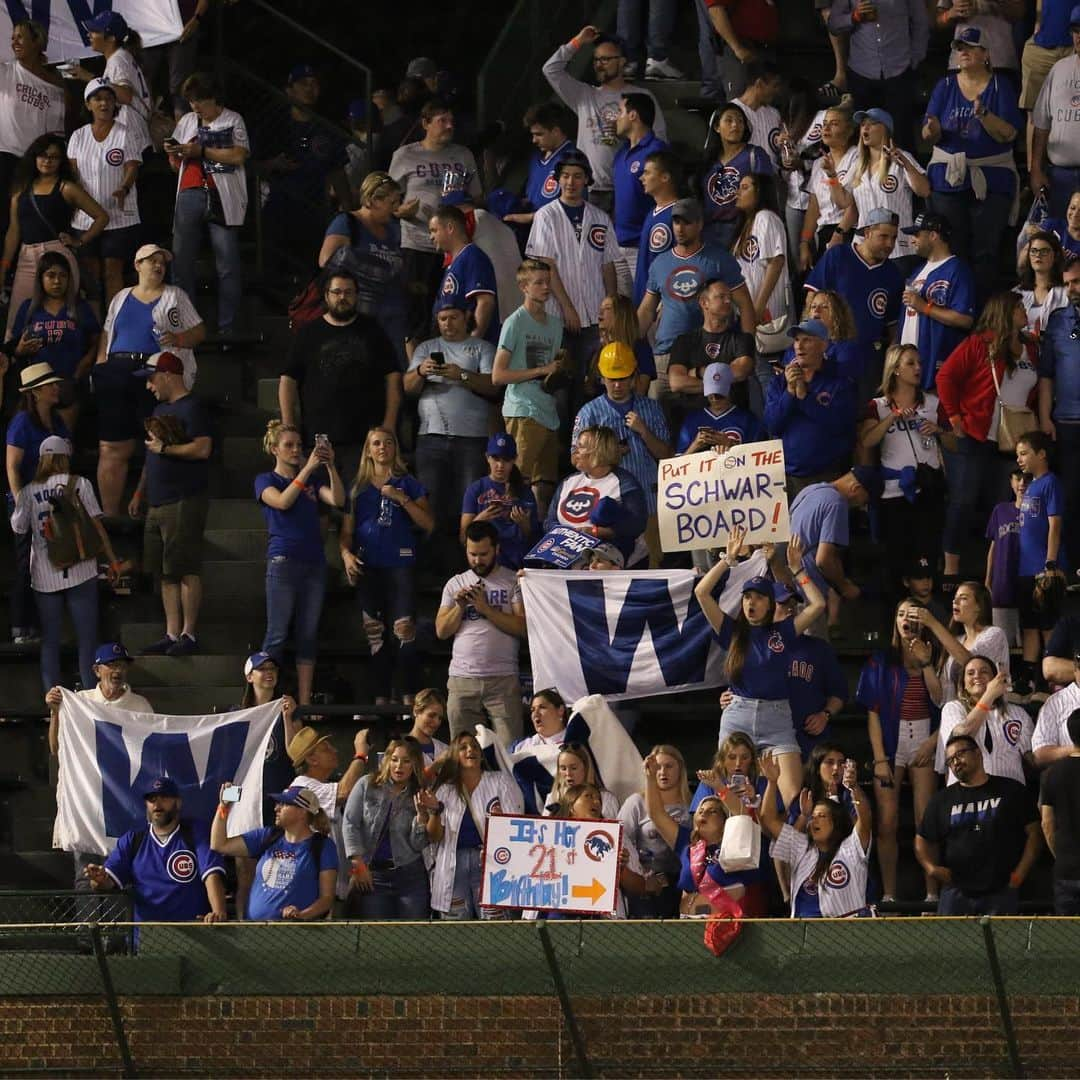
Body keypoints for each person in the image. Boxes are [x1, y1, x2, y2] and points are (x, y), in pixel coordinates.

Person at [695, 527, 826, 806]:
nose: (751, 601)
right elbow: (702, 592)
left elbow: (817, 605)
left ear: (769, 604)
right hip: (737, 715)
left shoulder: (783, 632)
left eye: (758, 597)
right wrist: (728, 559)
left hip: (777, 719)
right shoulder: (731, 631)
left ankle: (788, 849)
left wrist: (796, 569)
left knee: (793, 797)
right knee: (729, 797)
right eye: (747, 597)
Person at [95, 244, 205, 516]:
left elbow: (199, 331)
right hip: (116, 370)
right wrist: (100, 365)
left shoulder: (175, 295)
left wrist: (180, 339)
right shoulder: (120, 297)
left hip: (154, 373)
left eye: (162, 263)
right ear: (137, 265)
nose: (158, 266)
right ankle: (110, 517)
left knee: (156, 440)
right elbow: (107, 334)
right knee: (111, 446)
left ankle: (152, 511)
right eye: (152, 261)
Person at [935, 292, 1037, 579]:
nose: (1023, 310)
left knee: (1003, 503)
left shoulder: (1032, 347)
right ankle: (951, 569)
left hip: (1015, 437)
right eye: (1018, 307)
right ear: (1005, 311)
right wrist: (955, 416)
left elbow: (1037, 387)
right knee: (964, 499)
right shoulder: (980, 343)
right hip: (977, 433)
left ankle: (997, 567)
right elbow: (945, 377)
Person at [10, 435, 122, 691]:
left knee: (50, 641)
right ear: (64, 457)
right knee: (87, 640)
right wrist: (113, 560)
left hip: (44, 573)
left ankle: (54, 704)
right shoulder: (80, 483)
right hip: (82, 569)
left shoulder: (29, 490)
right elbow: (96, 525)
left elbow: (18, 526)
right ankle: (92, 701)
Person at [922, 28, 1023, 302]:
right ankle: (955, 307)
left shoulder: (1001, 86)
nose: (963, 51)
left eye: (970, 47)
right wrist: (932, 129)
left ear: (986, 54)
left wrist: (985, 115)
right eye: (959, 47)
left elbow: (1010, 133)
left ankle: (981, 313)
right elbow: (929, 133)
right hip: (949, 178)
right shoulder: (944, 85)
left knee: (985, 252)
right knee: (953, 248)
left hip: (991, 177)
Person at [857, 598, 945, 901]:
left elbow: (941, 700)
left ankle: (931, 894)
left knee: (925, 819)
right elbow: (873, 713)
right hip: (891, 741)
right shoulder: (881, 660)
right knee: (887, 821)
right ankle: (890, 895)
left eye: (912, 614)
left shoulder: (935, 655)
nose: (905, 619)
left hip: (924, 737)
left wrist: (926, 663)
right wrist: (880, 758)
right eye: (900, 614)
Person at [279, 269, 402, 486]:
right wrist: (289, 425)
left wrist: (389, 424)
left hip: (364, 440)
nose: (342, 297)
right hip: (318, 439)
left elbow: (393, 378)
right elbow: (288, 381)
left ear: (357, 296)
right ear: (326, 296)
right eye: (336, 292)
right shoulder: (308, 333)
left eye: (348, 292)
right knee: (321, 511)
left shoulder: (373, 331)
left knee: (357, 507)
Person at [129, 352, 213, 657]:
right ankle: (171, 632)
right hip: (157, 499)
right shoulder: (160, 408)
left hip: (184, 497)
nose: (149, 386)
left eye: (151, 379)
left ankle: (189, 633)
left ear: (166, 375)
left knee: (185, 566)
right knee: (164, 571)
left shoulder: (193, 406)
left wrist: (167, 447)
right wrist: (140, 491)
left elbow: (203, 448)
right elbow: (151, 455)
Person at [341, 427, 434, 704]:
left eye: (388, 442)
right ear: (368, 450)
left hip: (401, 565)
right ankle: (380, 698)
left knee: (404, 631)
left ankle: (408, 699)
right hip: (368, 566)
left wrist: (401, 498)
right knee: (375, 636)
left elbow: (429, 524)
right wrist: (345, 554)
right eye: (376, 443)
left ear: (395, 448)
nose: (382, 448)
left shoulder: (409, 483)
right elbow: (346, 531)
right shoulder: (356, 488)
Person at [255, 420, 344, 707]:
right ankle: (263, 702)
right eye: (288, 445)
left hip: (313, 562)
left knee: (308, 634)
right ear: (274, 449)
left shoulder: (313, 481)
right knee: (278, 632)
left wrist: (329, 466)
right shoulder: (265, 480)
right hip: (283, 561)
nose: (296, 450)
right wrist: (307, 469)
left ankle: (303, 703)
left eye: (298, 445)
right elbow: (281, 502)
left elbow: (338, 500)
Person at [638, 198, 756, 404]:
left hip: (705, 354)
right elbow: (647, 310)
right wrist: (627, 342)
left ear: (700, 224)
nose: (680, 228)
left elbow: (745, 304)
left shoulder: (719, 259)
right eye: (676, 222)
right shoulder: (660, 262)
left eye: (687, 222)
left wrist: (747, 348)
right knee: (660, 421)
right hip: (665, 354)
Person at [405, 298, 499, 554]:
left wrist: (463, 375)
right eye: (443, 318)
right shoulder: (426, 348)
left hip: (472, 438)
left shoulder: (482, 348)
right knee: (431, 503)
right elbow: (407, 388)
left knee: (467, 504)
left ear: (467, 316)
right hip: (430, 437)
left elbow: (494, 386)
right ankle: (434, 568)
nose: (448, 323)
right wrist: (421, 372)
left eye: (454, 317)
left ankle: (465, 562)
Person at [542, 26, 666, 210]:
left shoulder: (640, 97)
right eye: (596, 60)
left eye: (606, 59)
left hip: (629, 187)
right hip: (590, 189)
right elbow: (550, 69)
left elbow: (660, 139)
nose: (599, 64)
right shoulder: (584, 95)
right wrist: (577, 41)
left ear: (622, 61)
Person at [525, 149, 618, 394]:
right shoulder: (546, 215)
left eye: (577, 176)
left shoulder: (599, 217)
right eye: (565, 176)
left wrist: (611, 308)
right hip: (557, 316)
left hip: (593, 316)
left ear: (587, 179)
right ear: (557, 179)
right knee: (559, 391)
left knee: (591, 387)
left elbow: (608, 265)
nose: (570, 182)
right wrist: (567, 307)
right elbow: (547, 265)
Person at [916, 733, 1041, 915]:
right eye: (950, 760)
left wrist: (1019, 874)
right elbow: (921, 840)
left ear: (978, 753)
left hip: (1001, 891)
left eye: (960, 754)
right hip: (956, 892)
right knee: (951, 944)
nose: (955, 762)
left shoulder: (1011, 790)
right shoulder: (941, 800)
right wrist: (931, 868)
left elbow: (1034, 833)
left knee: (1002, 944)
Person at [857, 343, 951, 585]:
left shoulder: (932, 403)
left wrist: (939, 430)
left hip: (929, 489)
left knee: (928, 558)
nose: (918, 368)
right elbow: (867, 440)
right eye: (911, 363)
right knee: (898, 563)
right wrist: (892, 417)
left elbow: (956, 444)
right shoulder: (877, 406)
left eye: (919, 363)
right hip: (894, 493)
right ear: (895, 369)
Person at [389, 98, 482, 335]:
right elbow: (388, 200)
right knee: (416, 312)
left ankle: (445, 364)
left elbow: (478, 197)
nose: (450, 126)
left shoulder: (463, 155)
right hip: (417, 245)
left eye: (452, 121)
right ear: (425, 123)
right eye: (442, 121)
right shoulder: (405, 155)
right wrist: (399, 211)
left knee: (451, 311)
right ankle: (417, 367)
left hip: (454, 249)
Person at [168, 73, 250, 338]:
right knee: (182, 263)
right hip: (189, 192)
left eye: (199, 101)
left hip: (221, 195)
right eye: (191, 101)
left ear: (213, 98)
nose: (195, 107)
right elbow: (175, 162)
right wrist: (175, 152)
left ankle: (228, 330)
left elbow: (239, 155)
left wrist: (201, 151)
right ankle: (188, 327)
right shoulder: (187, 121)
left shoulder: (233, 119)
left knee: (227, 265)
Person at [572, 343, 670, 563]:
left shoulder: (651, 408)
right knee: (607, 568)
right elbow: (576, 459)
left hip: (649, 502)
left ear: (634, 376)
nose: (617, 385)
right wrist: (608, 452)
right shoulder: (589, 413)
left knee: (653, 566)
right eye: (611, 378)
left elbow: (666, 455)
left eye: (623, 378)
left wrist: (644, 432)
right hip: (606, 510)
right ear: (602, 377)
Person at [1, 133, 105, 340]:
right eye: (42, 155)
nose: (47, 160)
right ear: (34, 157)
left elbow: (102, 216)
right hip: (26, 257)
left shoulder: (67, 188)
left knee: (61, 320)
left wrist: (80, 240)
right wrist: (4, 267)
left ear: (61, 161)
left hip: (58, 256)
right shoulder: (21, 191)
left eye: (54, 157)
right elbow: (14, 232)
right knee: (17, 323)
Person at [84, 777, 227, 924]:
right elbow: (107, 883)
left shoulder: (195, 831)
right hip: (147, 938)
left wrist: (218, 912)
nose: (157, 805)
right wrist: (98, 880)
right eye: (152, 800)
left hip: (194, 933)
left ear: (178, 803)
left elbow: (211, 874)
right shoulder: (132, 840)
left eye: (164, 798)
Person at [435, 520, 527, 744]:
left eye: (484, 554)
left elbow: (523, 628)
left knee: (510, 753)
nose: (477, 560)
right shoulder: (455, 583)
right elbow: (441, 631)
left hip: (502, 679)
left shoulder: (512, 580)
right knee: (461, 753)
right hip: (462, 679)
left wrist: (485, 608)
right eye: (472, 554)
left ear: (497, 549)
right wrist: (460, 606)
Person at [255, 65, 350, 271]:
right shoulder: (274, 125)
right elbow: (251, 165)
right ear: (289, 89)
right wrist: (273, 164)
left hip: (314, 208)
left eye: (314, 84)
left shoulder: (326, 127)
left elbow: (337, 171)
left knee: (312, 270)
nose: (310, 89)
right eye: (303, 84)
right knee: (275, 269)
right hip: (279, 207)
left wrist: (348, 209)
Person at [759, 749, 874, 917]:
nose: (814, 821)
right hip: (803, 930)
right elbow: (768, 819)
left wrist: (854, 788)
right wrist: (771, 782)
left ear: (836, 822)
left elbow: (865, 818)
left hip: (846, 932)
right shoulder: (801, 847)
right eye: (812, 817)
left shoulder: (852, 847)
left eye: (821, 816)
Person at [491, 259, 565, 518]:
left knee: (544, 484)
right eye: (539, 283)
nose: (546, 287)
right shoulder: (515, 322)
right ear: (524, 286)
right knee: (516, 480)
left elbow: (551, 369)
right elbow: (498, 375)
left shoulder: (556, 325)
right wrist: (540, 371)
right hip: (522, 408)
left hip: (547, 410)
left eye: (548, 282)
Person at [804, 207, 903, 399]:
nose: (889, 244)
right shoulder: (838, 256)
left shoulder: (893, 274)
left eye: (893, 238)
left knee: (863, 416)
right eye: (883, 236)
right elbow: (811, 298)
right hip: (831, 351)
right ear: (867, 233)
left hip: (869, 357)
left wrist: (890, 367)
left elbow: (893, 328)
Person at [426, 731, 524, 919]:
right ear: (454, 754)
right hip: (452, 867)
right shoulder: (444, 790)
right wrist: (433, 812)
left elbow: (515, 825)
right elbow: (434, 837)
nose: (470, 750)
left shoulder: (500, 781)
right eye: (463, 747)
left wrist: (495, 851)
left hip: (492, 865)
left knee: (496, 928)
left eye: (474, 746)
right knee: (456, 932)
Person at [5, 361, 70, 643]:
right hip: (29, 500)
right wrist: (21, 502)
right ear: (36, 392)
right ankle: (20, 626)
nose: (56, 388)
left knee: (49, 564)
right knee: (26, 564)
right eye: (50, 385)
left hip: (52, 500)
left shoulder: (57, 421)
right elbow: (12, 466)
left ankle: (42, 626)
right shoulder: (22, 422)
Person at [318, 171, 409, 367]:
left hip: (393, 314)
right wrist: (372, 270)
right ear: (373, 200)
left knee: (395, 368)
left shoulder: (393, 228)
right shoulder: (347, 223)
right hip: (361, 312)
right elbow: (326, 261)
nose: (396, 208)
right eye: (391, 203)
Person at [212, 784, 338, 921]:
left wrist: (301, 915)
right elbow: (219, 845)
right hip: (253, 932)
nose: (276, 808)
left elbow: (327, 899)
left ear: (302, 811)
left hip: (295, 934)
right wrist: (223, 807)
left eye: (284, 804)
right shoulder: (268, 836)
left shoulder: (323, 845)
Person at [66, 78, 142, 307]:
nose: (104, 104)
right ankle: (94, 328)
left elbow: (132, 166)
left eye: (109, 99)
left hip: (119, 215)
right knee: (90, 274)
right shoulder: (78, 136)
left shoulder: (125, 133)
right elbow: (72, 174)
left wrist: (124, 187)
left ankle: (113, 325)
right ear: (88, 104)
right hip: (85, 218)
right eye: (98, 99)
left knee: (112, 271)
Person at [764, 318, 858, 494]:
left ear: (823, 345)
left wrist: (804, 397)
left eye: (807, 340)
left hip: (828, 475)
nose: (799, 346)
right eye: (797, 340)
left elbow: (840, 425)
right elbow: (772, 425)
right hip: (787, 477)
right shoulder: (779, 382)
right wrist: (790, 393)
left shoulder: (840, 381)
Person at [342, 739, 432, 919]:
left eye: (406, 761)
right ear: (387, 760)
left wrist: (422, 816)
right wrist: (358, 864)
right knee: (377, 936)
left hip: (410, 876)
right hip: (373, 876)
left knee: (412, 935)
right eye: (395, 759)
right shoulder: (367, 784)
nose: (399, 766)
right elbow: (350, 823)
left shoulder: (421, 793)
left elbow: (417, 844)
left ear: (415, 764)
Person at [832, 108, 929, 266]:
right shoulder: (858, 165)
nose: (865, 128)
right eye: (863, 125)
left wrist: (906, 164)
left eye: (871, 124)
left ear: (885, 129)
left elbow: (924, 190)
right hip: (864, 249)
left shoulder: (902, 158)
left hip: (898, 248)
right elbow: (843, 202)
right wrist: (831, 176)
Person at [827, 0, 928, 147]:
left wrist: (916, 57)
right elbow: (833, 24)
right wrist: (854, 17)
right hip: (861, 72)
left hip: (899, 71)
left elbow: (920, 21)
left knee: (901, 140)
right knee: (863, 142)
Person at [546, 425, 649, 568]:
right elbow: (549, 522)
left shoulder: (625, 483)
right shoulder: (568, 482)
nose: (575, 451)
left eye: (580, 446)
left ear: (599, 451)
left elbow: (637, 524)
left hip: (610, 559)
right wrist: (569, 535)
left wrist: (597, 532)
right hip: (567, 555)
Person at [0, 19, 65, 243]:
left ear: (37, 42)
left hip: (33, 164)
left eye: (20, 36)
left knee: (25, 221)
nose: (13, 41)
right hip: (4, 156)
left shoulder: (55, 86)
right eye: (12, 37)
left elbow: (55, 133)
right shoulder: (6, 72)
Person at [895, 214, 976, 387]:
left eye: (917, 234)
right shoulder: (917, 270)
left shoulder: (957, 269)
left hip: (936, 365)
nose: (912, 240)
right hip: (908, 369)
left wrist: (925, 307)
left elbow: (965, 319)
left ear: (933, 235)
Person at [1015, 430, 1066, 696]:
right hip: (1025, 567)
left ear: (1041, 454)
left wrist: (1050, 562)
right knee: (1029, 624)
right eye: (1018, 455)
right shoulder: (1030, 485)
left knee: (1048, 624)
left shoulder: (1050, 483)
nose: (1020, 460)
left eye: (1024, 454)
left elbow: (1054, 525)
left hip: (1042, 567)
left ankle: (1052, 676)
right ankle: (1028, 675)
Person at [1038, 255, 1080, 571]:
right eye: (1067, 284)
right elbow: (1046, 376)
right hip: (1066, 423)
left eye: (1077, 282)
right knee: (1071, 499)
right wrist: (1044, 417)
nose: (1072, 289)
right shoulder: (1057, 320)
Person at [788, 466, 879, 609]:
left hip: (789, 584)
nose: (861, 506)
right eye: (865, 500)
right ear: (856, 488)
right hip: (809, 592)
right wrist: (844, 587)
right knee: (815, 631)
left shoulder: (810, 489)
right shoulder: (837, 503)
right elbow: (824, 560)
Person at [936, 656, 1033, 786]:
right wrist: (989, 695)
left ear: (995, 679)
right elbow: (962, 737)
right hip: (967, 795)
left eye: (984, 672)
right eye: (970, 673)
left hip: (1009, 794)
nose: (977, 676)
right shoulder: (953, 708)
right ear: (963, 684)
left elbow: (1033, 759)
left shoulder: (1017, 713)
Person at [619, 745, 692, 917]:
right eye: (657, 767)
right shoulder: (636, 802)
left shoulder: (692, 805)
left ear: (680, 769)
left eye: (669, 766)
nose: (662, 772)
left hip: (681, 885)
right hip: (645, 886)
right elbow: (620, 840)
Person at [667, 278, 756, 413]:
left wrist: (698, 372)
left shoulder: (743, 339)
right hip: (695, 419)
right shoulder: (684, 341)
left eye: (729, 297)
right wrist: (721, 383)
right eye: (721, 297)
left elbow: (739, 372)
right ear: (704, 303)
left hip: (733, 419)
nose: (728, 301)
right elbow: (676, 382)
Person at [611, 93, 669, 294]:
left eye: (620, 112)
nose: (616, 117)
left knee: (646, 310)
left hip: (644, 246)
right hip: (617, 245)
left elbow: (667, 198)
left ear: (633, 115)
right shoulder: (620, 153)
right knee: (622, 313)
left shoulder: (657, 151)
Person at [70, 11, 151, 152]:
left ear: (111, 38)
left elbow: (126, 95)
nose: (89, 35)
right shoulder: (122, 56)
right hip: (136, 129)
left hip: (131, 131)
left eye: (95, 31)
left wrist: (91, 78)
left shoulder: (117, 60)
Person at [460, 432, 539, 572]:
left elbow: (533, 538)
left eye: (506, 459)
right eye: (495, 458)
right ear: (487, 458)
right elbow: (463, 537)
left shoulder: (524, 491)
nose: (500, 465)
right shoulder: (475, 489)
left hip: (516, 563)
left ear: (514, 459)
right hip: (485, 563)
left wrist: (524, 524)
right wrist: (480, 520)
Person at [700, 102, 775, 250]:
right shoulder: (708, 160)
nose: (735, 125)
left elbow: (766, 195)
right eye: (729, 120)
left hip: (742, 230)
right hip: (709, 232)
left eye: (740, 121)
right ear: (716, 127)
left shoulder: (755, 155)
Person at [1029, 12, 1080, 218]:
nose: (1079, 36)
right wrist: (1035, 169)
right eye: (1076, 31)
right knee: (1058, 240)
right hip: (1059, 175)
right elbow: (1042, 123)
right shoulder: (1059, 69)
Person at [427, 203, 500, 346]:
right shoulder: (453, 264)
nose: (431, 237)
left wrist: (471, 346)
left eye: (434, 230)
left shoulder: (472, 256)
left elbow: (485, 302)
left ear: (450, 228)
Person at [732, 173, 789, 353]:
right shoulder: (746, 224)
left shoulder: (766, 217)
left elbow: (776, 262)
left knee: (766, 370)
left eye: (745, 187)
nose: (737, 192)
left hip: (766, 313)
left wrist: (757, 307)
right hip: (748, 314)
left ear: (760, 192)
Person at [798, 107, 858, 269]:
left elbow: (854, 203)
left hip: (849, 230)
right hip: (824, 231)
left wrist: (839, 234)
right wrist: (804, 242)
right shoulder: (819, 163)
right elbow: (813, 206)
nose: (826, 128)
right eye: (824, 124)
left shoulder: (857, 157)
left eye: (834, 124)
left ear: (849, 130)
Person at [503, 102, 575, 228]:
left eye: (539, 134)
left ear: (556, 131)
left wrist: (529, 217)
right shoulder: (536, 158)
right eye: (533, 134)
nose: (534, 140)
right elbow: (535, 198)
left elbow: (572, 210)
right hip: (532, 235)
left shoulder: (572, 160)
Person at [1039, 707, 1080, 913]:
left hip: (1066, 870)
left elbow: (1047, 823)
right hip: (1067, 868)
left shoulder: (1052, 775)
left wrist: (1061, 855)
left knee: (1067, 940)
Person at [941, 582, 1011, 702]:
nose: (955, 602)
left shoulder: (995, 634)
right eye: (955, 598)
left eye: (963, 598)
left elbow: (969, 661)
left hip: (990, 712)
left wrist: (932, 623)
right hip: (958, 712)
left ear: (979, 606)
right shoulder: (957, 640)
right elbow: (942, 694)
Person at [676, 361, 765, 454]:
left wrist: (730, 444)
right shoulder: (692, 420)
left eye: (719, 395)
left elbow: (757, 458)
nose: (714, 399)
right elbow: (677, 465)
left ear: (730, 389)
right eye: (711, 394)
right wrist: (695, 445)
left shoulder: (748, 419)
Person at [631, 150, 680, 307]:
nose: (641, 178)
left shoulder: (676, 215)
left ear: (665, 177)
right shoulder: (652, 213)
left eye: (647, 173)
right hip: (642, 299)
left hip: (657, 306)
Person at [985, 469, 1025, 648]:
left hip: (1026, 584)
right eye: (1018, 479)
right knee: (1002, 645)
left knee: (1028, 642)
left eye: (1026, 479)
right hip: (1002, 585)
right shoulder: (1000, 510)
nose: (1022, 483)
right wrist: (988, 579)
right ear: (1011, 482)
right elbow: (993, 547)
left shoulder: (1038, 512)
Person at [1034, 653, 1080, 765]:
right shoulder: (1056, 702)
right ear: (1075, 670)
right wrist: (1076, 749)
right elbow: (1040, 755)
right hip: (1072, 776)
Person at [512, 688, 570, 753]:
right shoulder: (520, 747)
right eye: (532, 710)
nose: (536, 714)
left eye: (542, 707)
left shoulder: (577, 742)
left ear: (560, 710)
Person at [405, 687, 451, 764]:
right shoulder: (400, 748)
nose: (436, 722)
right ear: (416, 711)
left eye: (440, 718)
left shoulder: (444, 749)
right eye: (431, 715)